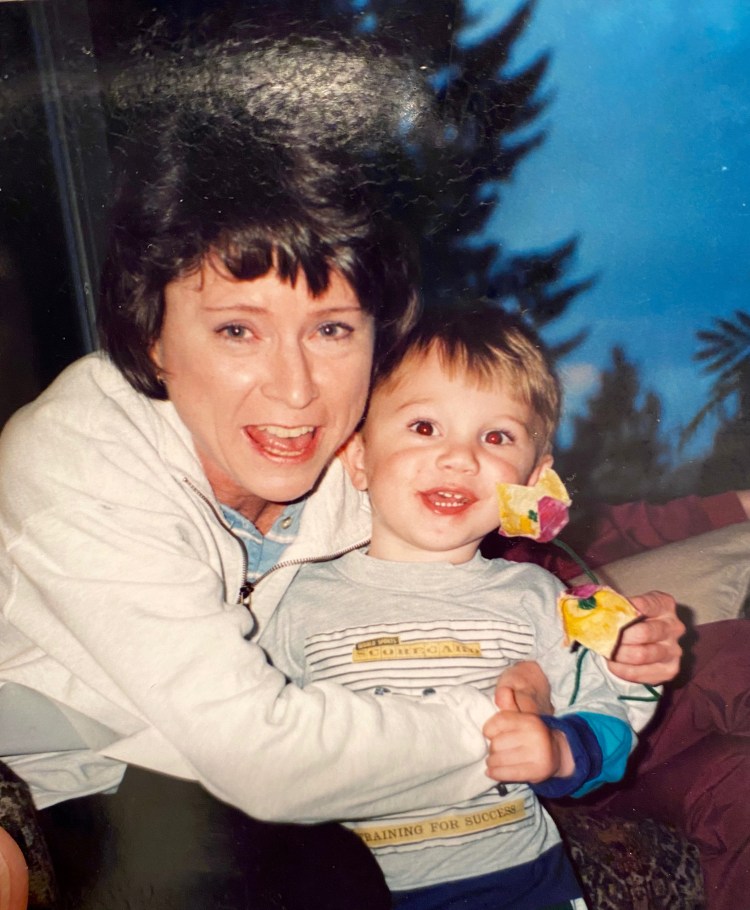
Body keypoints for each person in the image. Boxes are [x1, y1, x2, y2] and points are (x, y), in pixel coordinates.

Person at [0, 21, 682, 910]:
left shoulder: (361, 452)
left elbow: (517, 518)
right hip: (57, 771)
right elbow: (264, 758)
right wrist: (495, 716)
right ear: (152, 335)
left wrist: (622, 629)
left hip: (202, 776)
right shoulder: (80, 456)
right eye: (237, 329)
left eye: (331, 330)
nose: (294, 393)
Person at [261, 305, 659, 910]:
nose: (460, 457)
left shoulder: (538, 597)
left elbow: (609, 723)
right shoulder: (294, 599)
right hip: (358, 890)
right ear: (358, 454)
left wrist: (558, 750)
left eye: (496, 437)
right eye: (424, 427)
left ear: (534, 478)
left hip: (525, 887)